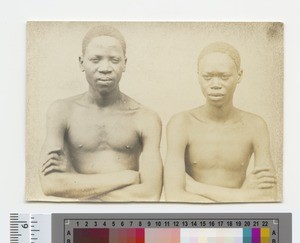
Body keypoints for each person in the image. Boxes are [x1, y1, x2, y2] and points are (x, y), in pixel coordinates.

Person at [39, 26, 163, 202]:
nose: (105, 68)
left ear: (124, 63)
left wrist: (73, 180)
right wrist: (127, 177)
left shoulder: (146, 118)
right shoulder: (61, 111)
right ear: (82, 63)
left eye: (114, 60)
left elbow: (150, 195)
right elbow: (50, 185)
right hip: (80, 219)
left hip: (127, 219)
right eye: (95, 59)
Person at [164, 42, 277, 203]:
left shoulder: (256, 126)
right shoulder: (181, 123)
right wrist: (243, 196)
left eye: (224, 77)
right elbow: (174, 197)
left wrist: (197, 187)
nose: (215, 85)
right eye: (207, 77)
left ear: (239, 75)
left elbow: (268, 197)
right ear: (198, 76)